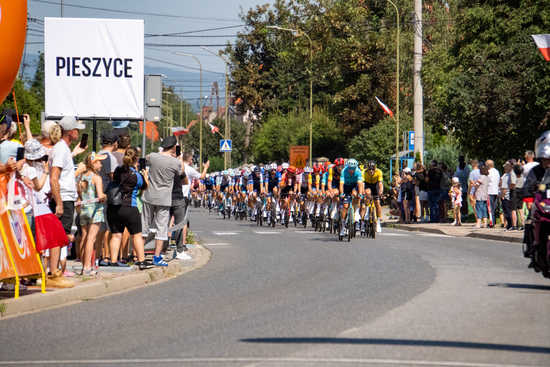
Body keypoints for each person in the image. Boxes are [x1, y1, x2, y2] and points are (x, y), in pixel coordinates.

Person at [48, 116, 86, 288]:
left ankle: (55, 271)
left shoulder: (62, 149)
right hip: (63, 197)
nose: (78, 132)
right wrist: (60, 202)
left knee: (60, 236)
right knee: (58, 236)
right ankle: (54, 273)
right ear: (71, 131)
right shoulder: (61, 149)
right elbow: (54, 177)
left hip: (64, 196)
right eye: (77, 129)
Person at [141, 136, 186, 266]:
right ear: (173, 147)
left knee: (144, 226)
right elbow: (181, 173)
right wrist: (179, 158)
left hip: (149, 196)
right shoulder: (174, 162)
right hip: (164, 198)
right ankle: (157, 257)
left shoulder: (153, 157)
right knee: (161, 228)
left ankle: (138, 254)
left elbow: (144, 160)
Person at [107, 147, 151, 270]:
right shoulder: (136, 175)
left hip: (114, 207)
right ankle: (141, 260)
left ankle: (113, 261)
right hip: (129, 207)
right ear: (136, 159)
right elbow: (144, 187)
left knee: (116, 235)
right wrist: (145, 176)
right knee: (136, 235)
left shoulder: (117, 170)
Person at [77, 152, 107, 274]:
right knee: (91, 239)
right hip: (95, 210)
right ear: (93, 164)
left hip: (84, 209)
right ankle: (87, 267)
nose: (101, 164)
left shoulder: (81, 177)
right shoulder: (97, 178)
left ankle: (83, 263)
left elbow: (80, 195)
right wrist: (105, 196)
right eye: (99, 162)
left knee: (84, 238)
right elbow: (100, 196)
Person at [178, 152, 209, 259]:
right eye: (192, 159)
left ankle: (169, 241)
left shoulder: (177, 165)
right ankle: (182, 244)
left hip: (174, 195)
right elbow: (202, 176)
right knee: (183, 221)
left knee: (172, 219)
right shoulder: (189, 169)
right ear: (190, 159)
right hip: (184, 197)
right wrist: (206, 167)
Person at [363, 161, 384, 232]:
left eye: (373, 169)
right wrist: (363, 192)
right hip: (367, 184)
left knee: (377, 203)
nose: (371, 171)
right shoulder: (364, 172)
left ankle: (378, 222)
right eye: (370, 169)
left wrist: (381, 192)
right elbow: (362, 184)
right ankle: (366, 211)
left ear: (375, 169)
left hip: (375, 185)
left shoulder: (379, 172)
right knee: (367, 194)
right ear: (367, 169)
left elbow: (380, 184)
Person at [500, 161, 517, 230]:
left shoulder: (508, 175)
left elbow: (504, 187)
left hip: (506, 195)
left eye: (505, 167)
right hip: (507, 194)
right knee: (507, 211)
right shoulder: (506, 175)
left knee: (507, 211)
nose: (504, 168)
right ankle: (510, 224)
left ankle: (510, 224)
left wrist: (502, 195)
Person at [486, 160, 500, 227]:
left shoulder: (488, 172)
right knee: (493, 208)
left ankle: (492, 223)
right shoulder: (496, 171)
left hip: (490, 191)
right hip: (496, 191)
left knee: (490, 208)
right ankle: (493, 221)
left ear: (488, 165)